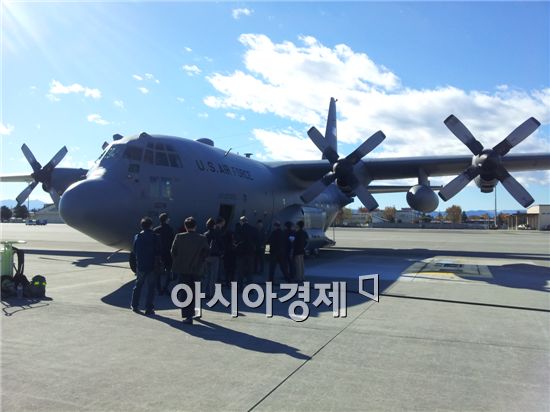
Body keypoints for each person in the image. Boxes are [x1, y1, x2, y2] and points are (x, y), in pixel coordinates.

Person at [171, 216, 210, 324]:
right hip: (197, 269)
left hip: (183, 269)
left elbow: (173, 252)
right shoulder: (202, 238)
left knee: (185, 293)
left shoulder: (179, 237)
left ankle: (188, 317)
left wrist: (179, 261)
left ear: (185, 226)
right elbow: (207, 251)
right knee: (197, 291)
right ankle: (197, 312)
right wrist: (200, 261)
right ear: (195, 226)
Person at [131, 217, 161, 315]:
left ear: (142, 226)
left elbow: (134, 251)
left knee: (138, 286)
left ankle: (134, 306)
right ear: (151, 226)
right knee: (151, 287)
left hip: (141, 264)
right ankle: (149, 308)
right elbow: (158, 251)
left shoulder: (137, 236)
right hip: (152, 265)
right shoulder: (155, 236)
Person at [153, 212, 175, 295]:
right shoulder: (170, 229)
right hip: (168, 254)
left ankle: (159, 289)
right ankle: (165, 288)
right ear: (166, 220)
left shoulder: (156, 230)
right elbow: (173, 242)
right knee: (168, 272)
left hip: (158, 254)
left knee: (158, 273)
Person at [203, 217, 223, 299]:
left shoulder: (205, 234)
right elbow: (221, 245)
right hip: (215, 257)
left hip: (206, 257)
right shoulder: (217, 233)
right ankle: (211, 294)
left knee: (206, 275)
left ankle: (204, 293)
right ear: (214, 225)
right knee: (213, 276)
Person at [234, 216, 257, 286]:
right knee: (250, 272)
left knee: (240, 271)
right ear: (247, 221)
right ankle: (249, 288)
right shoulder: (253, 229)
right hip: (250, 253)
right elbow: (257, 241)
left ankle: (239, 287)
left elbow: (236, 240)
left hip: (241, 253)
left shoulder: (239, 229)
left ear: (241, 221)